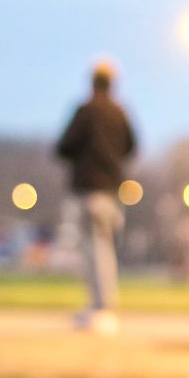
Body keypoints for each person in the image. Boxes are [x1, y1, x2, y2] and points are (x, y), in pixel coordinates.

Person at [55, 61, 137, 335]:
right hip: (112, 189)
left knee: (95, 249)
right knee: (104, 246)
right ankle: (101, 307)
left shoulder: (87, 110)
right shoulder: (119, 112)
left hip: (91, 189)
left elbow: (64, 146)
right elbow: (131, 146)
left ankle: (101, 309)